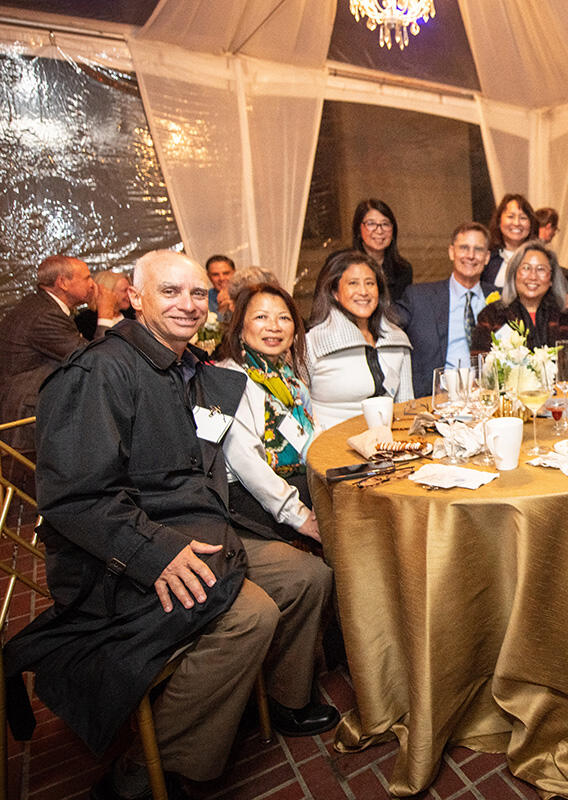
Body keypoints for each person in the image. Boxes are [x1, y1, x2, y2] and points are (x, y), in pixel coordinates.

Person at [6, 250, 335, 800]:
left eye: (197, 294)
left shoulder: (189, 366)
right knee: (248, 615)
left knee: (309, 577)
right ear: (135, 298)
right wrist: (152, 553)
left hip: (203, 528)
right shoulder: (100, 371)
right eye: (170, 292)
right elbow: (73, 497)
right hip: (123, 555)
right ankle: (141, 773)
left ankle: (280, 698)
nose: (187, 304)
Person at [215, 283, 320, 543]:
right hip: (252, 501)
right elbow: (246, 462)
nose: (274, 326)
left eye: (284, 318)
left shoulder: (288, 378)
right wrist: (300, 516)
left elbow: (314, 437)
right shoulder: (230, 378)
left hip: (298, 487)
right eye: (261, 317)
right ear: (240, 328)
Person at [0, 255, 117, 455]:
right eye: (87, 278)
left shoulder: (40, 305)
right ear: (62, 282)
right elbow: (93, 359)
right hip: (27, 420)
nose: (93, 285)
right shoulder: (45, 315)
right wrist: (105, 313)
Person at [306, 249, 414, 428]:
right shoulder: (313, 342)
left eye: (370, 283)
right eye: (353, 283)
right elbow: (298, 402)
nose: (363, 292)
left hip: (386, 448)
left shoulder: (397, 340)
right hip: (330, 449)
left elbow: (406, 405)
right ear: (335, 292)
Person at [398, 222, 498, 397]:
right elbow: (384, 328)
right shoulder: (419, 298)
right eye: (464, 248)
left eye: (478, 249)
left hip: (489, 398)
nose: (471, 255)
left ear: (487, 257)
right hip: (439, 399)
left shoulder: (502, 299)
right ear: (452, 252)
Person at [470, 240, 568, 352]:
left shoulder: (567, 317)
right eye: (526, 268)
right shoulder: (491, 316)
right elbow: (480, 363)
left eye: (541, 269)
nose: (533, 276)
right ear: (514, 274)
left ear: (551, 279)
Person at [352, 199, 414, 303]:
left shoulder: (403, 270)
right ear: (359, 229)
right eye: (371, 224)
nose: (379, 231)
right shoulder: (341, 264)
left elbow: (402, 311)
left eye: (385, 224)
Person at [481, 193, 537, 287]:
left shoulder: (539, 258)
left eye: (523, 218)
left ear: (530, 225)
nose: (516, 223)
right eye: (510, 216)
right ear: (499, 221)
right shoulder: (487, 259)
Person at [75, 269, 135, 339]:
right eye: (125, 290)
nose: (129, 294)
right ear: (108, 292)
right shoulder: (85, 321)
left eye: (130, 290)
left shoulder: (133, 314)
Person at [206, 254, 236, 320]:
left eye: (226, 273)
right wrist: (221, 312)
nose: (221, 278)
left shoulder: (245, 295)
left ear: (234, 273)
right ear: (208, 276)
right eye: (215, 275)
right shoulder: (204, 300)